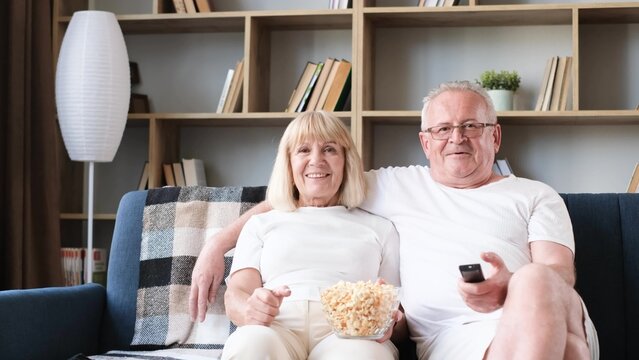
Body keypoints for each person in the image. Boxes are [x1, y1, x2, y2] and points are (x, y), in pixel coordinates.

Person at [190, 81, 599, 359]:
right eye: (442, 129)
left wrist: (509, 286)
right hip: (453, 340)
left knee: (534, 279)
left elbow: (557, 273)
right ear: (425, 141)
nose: (456, 138)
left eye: (471, 126)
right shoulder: (394, 185)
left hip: (533, 311)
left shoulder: (534, 194)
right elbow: (302, 193)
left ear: (495, 135)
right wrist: (215, 245)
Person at [218, 111, 401, 360]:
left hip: (348, 333)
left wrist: (388, 323)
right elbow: (237, 293)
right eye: (304, 150)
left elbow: (397, 311)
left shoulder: (381, 228)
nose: (317, 160)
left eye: (329, 149)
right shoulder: (260, 224)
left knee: (366, 355)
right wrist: (251, 309)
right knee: (250, 344)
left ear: (346, 160)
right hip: (276, 326)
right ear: (288, 162)